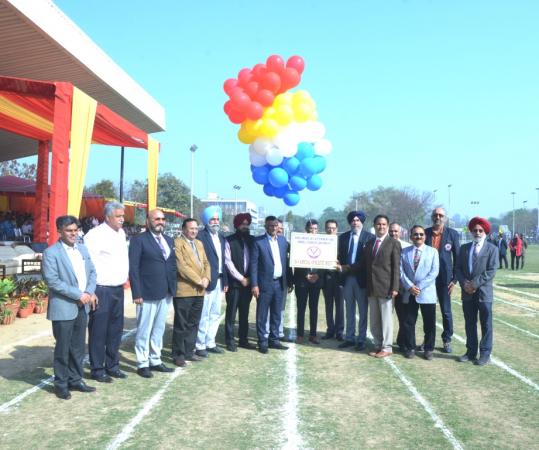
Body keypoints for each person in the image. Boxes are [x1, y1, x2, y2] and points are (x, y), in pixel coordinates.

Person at [42, 215, 98, 399]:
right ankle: (61, 384)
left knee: (78, 347)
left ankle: (76, 380)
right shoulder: (51, 253)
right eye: (69, 231)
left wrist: (89, 292)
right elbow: (53, 281)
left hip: (83, 306)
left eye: (76, 230)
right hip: (64, 307)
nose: (73, 234)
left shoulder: (82, 249)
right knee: (63, 348)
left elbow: (92, 272)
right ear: (60, 231)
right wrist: (78, 295)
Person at [84, 201, 129, 382]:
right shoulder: (95, 235)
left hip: (118, 288)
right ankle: (97, 369)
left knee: (115, 330)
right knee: (98, 331)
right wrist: (91, 290)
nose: (122, 220)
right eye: (118, 216)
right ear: (108, 217)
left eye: (123, 216)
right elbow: (88, 264)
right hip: (101, 289)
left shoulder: (121, 233)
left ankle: (112, 365)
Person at [128, 209, 176, 378]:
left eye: (162, 219)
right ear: (148, 221)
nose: (160, 222)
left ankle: (155, 359)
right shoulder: (138, 240)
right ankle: (142, 363)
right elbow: (133, 268)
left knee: (159, 328)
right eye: (156, 219)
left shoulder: (169, 240)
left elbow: (171, 265)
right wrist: (136, 292)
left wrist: (173, 288)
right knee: (144, 329)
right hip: (146, 293)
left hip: (165, 292)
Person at [356, 214, 401, 358]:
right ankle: (377, 344)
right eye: (378, 224)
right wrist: (343, 267)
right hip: (371, 288)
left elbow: (396, 267)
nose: (381, 227)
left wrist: (395, 287)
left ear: (387, 226)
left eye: (384, 224)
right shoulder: (369, 244)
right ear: (374, 226)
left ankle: (387, 347)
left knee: (386, 320)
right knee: (374, 319)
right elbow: (361, 264)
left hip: (387, 288)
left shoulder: (394, 243)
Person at [456, 217, 498, 366]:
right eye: (475, 230)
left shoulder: (492, 249)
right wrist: (464, 283)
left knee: (486, 324)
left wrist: (474, 284)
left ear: (485, 232)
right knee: (469, 323)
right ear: (471, 232)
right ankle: (471, 351)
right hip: (467, 293)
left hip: (484, 294)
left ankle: (485, 354)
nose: (477, 232)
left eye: (480, 230)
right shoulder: (464, 248)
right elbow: (458, 269)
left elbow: (491, 271)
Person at [251, 216, 293, 353]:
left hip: (280, 283)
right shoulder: (258, 242)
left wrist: (290, 281)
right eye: (270, 225)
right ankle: (262, 341)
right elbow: (254, 265)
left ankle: (274, 340)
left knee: (276, 314)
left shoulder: (282, 241)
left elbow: (289, 261)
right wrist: (254, 284)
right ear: (266, 226)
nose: (274, 228)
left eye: (275, 225)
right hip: (264, 284)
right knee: (262, 315)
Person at [172, 218, 211, 367]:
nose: (194, 231)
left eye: (196, 228)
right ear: (183, 229)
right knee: (181, 324)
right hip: (185, 290)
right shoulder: (177, 243)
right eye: (191, 228)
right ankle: (178, 354)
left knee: (194, 323)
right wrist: (199, 280)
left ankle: (189, 351)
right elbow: (181, 267)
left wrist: (207, 278)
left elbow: (207, 263)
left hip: (199, 291)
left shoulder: (199, 243)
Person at [399, 225, 439, 360]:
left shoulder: (433, 252)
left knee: (429, 323)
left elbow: (434, 272)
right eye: (415, 234)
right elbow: (400, 272)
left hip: (427, 293)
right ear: (411, 237)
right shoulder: (404, 252)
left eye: (421, 234)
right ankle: (410, 348)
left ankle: (428, 349)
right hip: (409, 292)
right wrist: (410, 286)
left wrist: (419, 286)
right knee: (409, 322)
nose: (419, 237)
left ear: (425, 236)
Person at [337, 211, 374, 351]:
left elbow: (366, 261)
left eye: (358, 220)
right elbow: (339, 256)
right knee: (349, 309)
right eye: (353, 220)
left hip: (362, 279)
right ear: (349, 222)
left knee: (363, 311)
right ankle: (350, 337)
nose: (355, 222)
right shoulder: (344, 237)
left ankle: (361, 339)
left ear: (362, 222)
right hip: (347, 279)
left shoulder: (369, 238)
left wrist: (347, 267)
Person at [424, 207, 460, 353]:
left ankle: (447, 339)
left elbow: (458, 257)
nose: (438, 217)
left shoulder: (452, 234)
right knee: (428, 311)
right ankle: (428, 340)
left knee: (446, 311)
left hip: (445, 279)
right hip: (427, 279)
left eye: (441, 215)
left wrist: (455, 279)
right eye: (435, 215)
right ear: (432, 217)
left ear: (445, 218)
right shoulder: (425, 233)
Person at [195, 206, 229, 357]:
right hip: (207, 281)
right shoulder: (200, 236)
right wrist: (203, 278)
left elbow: (224, 261)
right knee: (204, 314)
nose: (215, 222)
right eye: (212, 219)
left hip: (220, 281)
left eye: (217, 219)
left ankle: (210, 342)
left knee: (215, 313)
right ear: (206, 221)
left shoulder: (221, 237)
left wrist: (226, 281)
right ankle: (199, 344)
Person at [224, 213, 255, 351]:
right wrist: (241, 278)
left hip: (248, 283)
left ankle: (243, 339)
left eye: (247, 223)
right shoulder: (228, 240)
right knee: (231, 314)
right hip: (234, 284)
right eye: (242, 223)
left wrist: (249, 279)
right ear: (237, 225)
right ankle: (230, 341)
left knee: (244, 313)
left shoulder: (252, 240)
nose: (245, 225)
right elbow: (228, 262)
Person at [294, 219, 323, 344]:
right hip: (302, 281)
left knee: (314, 308)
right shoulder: (299, 242)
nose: (314, 231)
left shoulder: (323, 244)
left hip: (316, 281)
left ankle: (313, 334)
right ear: (306, 229)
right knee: (301, 308)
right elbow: (295, 260)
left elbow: (325, 262)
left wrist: (318, 275)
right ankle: (300, 334)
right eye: (311, 228)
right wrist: (306, 274)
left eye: (316, 229)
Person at [389, 222, 411, 353]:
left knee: (403, 316)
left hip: (402, 287)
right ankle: (384, 341)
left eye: (396, 231)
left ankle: (402, 341)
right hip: (386, 286)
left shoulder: (407, 247)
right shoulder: (383, 245)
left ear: (401, 232)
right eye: (391, 231)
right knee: (386, 316)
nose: (393, 234)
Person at [321, 219, 344, 341]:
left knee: (340, 306)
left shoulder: (342, 242)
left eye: (333, 228)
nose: (331, 230)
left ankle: (339, 332)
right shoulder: (321, 242)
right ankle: (330, 330)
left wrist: (341, 264)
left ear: (337, 229)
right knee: (328, 305)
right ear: (325, 229)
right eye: (329, 228)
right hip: (326, 277)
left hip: (339, 277)